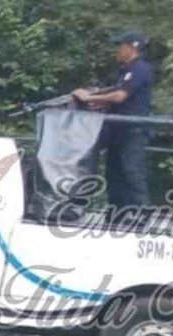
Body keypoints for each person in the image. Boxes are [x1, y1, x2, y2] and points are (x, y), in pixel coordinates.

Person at [72, 31, 154, 210]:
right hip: (117, 129)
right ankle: (117, 213)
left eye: (121, 46)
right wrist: (95, 98)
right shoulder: (126, 71)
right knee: (114, 173)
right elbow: (116, 95)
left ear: (132, 48)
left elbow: (119, 96)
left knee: (131, 171)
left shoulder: (140, 69)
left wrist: (88, 98)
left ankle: (142, 213)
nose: (118, 50)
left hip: (133, 130)